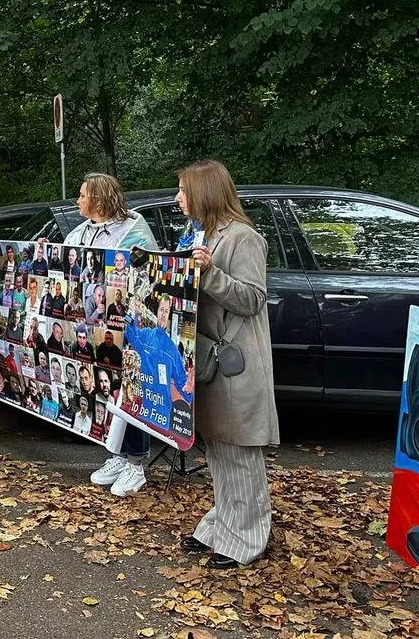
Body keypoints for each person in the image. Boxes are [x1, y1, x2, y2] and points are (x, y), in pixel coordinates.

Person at [176, 160, 278, 569]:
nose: (178, 198)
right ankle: (222, 526)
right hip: (212, 361)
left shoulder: (243, 238)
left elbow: (253, 298)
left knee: (239, 453)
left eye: (183, 190)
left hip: (236, 364)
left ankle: (248, 538)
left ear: (205, 192)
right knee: (220, 450)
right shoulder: (202, 234)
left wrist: (209, 272)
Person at [61, 172, 161, 498]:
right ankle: (118, 455)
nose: (77, 200)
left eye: (82, 195)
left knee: (129, 389)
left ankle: (136, 463)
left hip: (128, 328)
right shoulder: (83, 231)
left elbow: (150, 276)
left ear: (99, 200)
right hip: (96, 328)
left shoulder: (133, 229)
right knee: (107, 391)